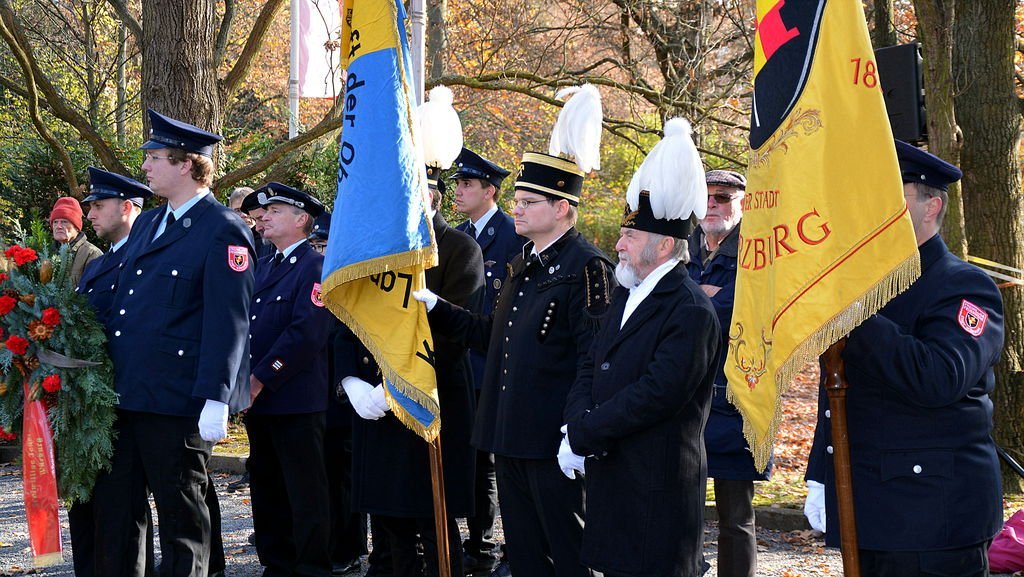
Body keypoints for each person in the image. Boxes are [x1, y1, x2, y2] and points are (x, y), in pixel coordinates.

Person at [415, 85, 614, 577]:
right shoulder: (523, 261)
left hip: (552, 437)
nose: (517, 210)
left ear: (563, 208)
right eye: (518, 201)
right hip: (508, 431)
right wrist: (438, 307)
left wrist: (578, 430)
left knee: (567, 550)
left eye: (528, 202)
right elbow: (492, 337)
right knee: (525, 552)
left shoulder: (588, 267)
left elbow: (593, 358)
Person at [805, 140, 1004, 577]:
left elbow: (939, 377)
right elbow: (839, 389)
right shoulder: (871, 283)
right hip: (873, 510)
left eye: (892, 193)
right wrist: (821, 472)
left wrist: (855, 313)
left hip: (933, 517)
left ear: (931, 206)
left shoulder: (964, 286)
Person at [93, 109, 255, 577]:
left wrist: (216, 398)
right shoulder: (148, 223)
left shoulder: (223, 227)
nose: (144, 166)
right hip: (128, 392)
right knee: (122, 513)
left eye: (155, 157)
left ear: (185, 164)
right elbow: (123, 303)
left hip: (178, 399)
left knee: (182, 521)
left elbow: (231, 320)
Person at [563, 118, 719, 577]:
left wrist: (586, 432)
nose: (619, 245)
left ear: (666, 244)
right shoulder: (627, 294)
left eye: (630, 236)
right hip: (615, 476)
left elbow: (657, 393)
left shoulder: (689, 309)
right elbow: (592, 363)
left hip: (657, 488)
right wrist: (576, 422)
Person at [337, 176, 483, 577]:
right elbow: (345, 315)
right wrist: (350, 380)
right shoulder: (373, 246)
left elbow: (455, 336)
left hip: (429, 404)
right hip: (373, 402)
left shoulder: (458, 249)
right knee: (388, 524)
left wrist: (395, 391)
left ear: (429, 196)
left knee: (432, 522)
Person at [246, 182, 334, 577]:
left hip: (294, 398)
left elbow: (307, 333)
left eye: (275, 211)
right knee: (267, 487)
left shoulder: (315, 267)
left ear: (302, 220)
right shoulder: (264, 265)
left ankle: (311, 567)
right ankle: (276, 564)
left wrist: (261, 377)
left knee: (304, 491)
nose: (264, 216)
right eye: (265, 212)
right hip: (257, 399)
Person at [686, 169, 770, 577]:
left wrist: (694, 303)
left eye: (722, 197)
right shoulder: (680, 247)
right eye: (706, 196)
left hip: (735, 398)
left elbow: (742, 316)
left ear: (745, 203)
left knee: (736, 517)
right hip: (682, 397)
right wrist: (707, 301)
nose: (712, 205)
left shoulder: (761, 254)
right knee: (680, 509)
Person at [74, 167, 154, 577]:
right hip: (91, 401)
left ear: (128, 207)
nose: (90, 215)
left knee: (121, 508)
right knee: (87, 504)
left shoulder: (145, 261)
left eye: (98, 206)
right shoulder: (98, 265)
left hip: (124, 398)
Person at [450, 146, 525, 575]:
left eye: (467, 184)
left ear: (490, 191)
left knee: (488, 460)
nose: (459, 191)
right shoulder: (460, 235)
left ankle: (484, 539)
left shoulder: (512, 234)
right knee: (465, 453)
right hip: (458, 362)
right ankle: (468, 534)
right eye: (458, 183)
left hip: (491, 364)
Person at [312, 210, 368, 577]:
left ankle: (348, 547)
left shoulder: (351, 282)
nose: (320, 253)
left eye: (326, 245)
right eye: (316, 245)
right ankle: (330, 542)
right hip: (317, 394)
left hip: (344, 395)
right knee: (326, 477)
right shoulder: (312, 280)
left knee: (344, 475)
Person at [49, 195, 102, 287]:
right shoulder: (46, 252)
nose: (59, 226)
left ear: (77, 227)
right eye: (55, 222)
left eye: (64, 222)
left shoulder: (92, 254)